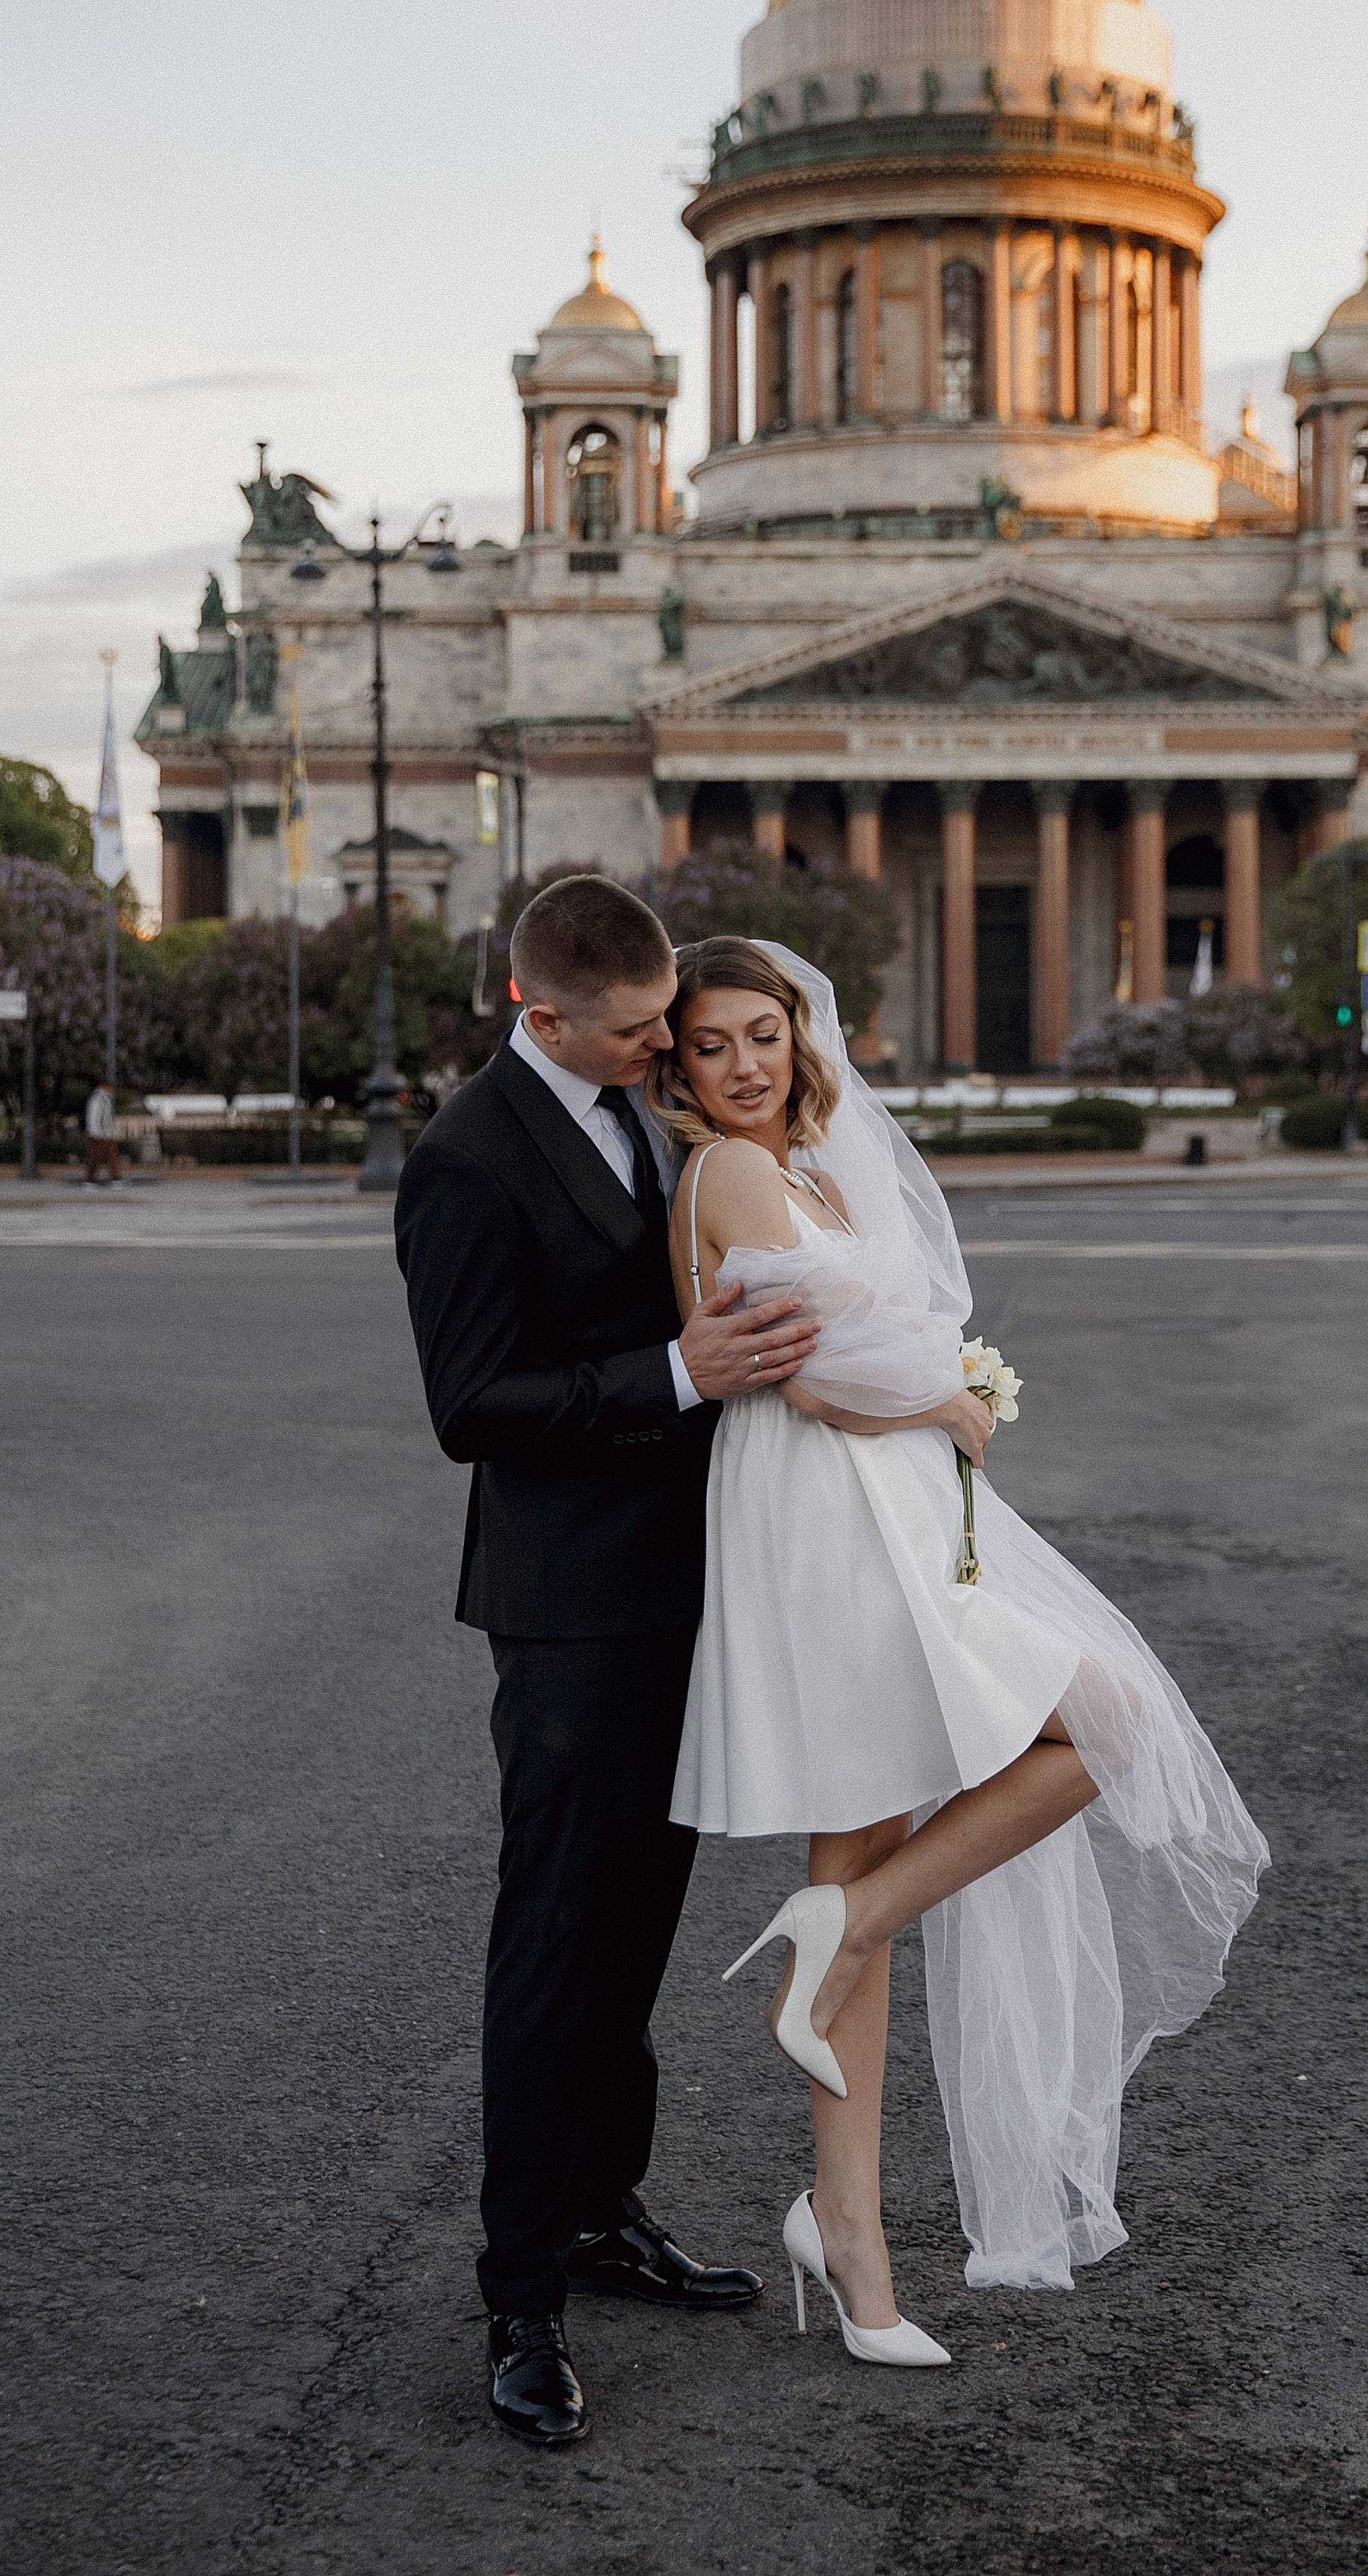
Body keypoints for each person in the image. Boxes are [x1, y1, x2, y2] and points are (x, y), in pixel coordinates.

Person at [653, 937, 1268, 2363]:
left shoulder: (805, 1169)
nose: (744, 1065)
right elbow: (809, 1374)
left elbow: (874, 1336)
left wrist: (931, 1394)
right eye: (710, 1048)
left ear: (801, 1037)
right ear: (677, 1071)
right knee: (1095, 1726)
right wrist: (942, 1400)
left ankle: (844, 2178)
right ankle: (853, 2183)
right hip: (826, 1514)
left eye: (762, 1035)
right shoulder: (733, 1177)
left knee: (879, 1848)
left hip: (883, 1510)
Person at [393, 877, 820, 2451]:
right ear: (540, 1013)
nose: (668, 1049)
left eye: (670, 1025)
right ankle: (519, 2298)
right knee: (556, 1939)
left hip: (686, 1587)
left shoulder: (651, 1119)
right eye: (640, 1030)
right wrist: (669, 1371)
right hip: (567, 1608)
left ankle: (595, 2209)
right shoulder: (461, 1158)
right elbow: (470, 1404)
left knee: (640, 1920)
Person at [82, 1081, 119, 1184]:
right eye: (109, 1089)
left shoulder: (105, 1100)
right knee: (96, 1157)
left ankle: (115, 1178)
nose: (111, 1091)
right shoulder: (97, 1100)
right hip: (98, 1135)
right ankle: (91, 1180)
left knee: (112, 1156)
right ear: (104, 1088)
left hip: (106, 1135)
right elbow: (94, 1119)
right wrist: (97, 1134)